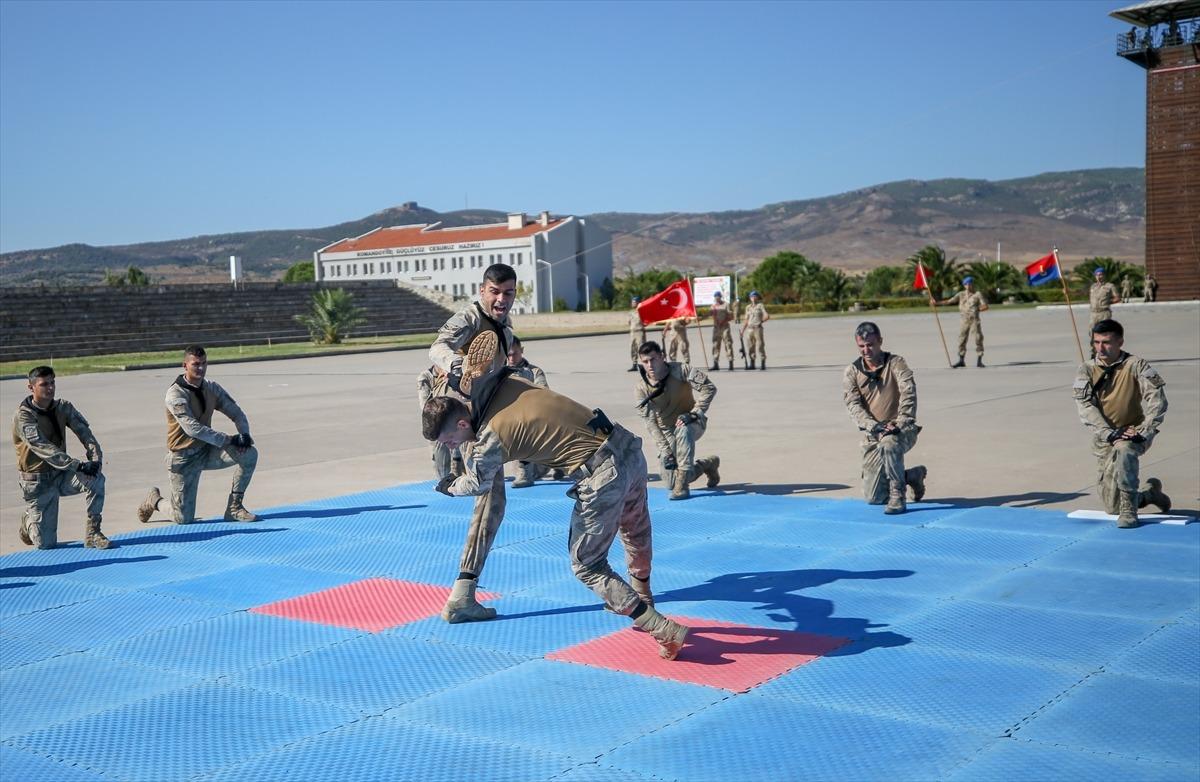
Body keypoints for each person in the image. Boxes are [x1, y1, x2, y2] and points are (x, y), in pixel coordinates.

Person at [422, 378, 689, 660]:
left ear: (463, 425)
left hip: (602, 475)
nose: (453, 448)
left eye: (450, 441)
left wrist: (449, 486)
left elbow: (478, 484)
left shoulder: (489, 439)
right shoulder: (508, 384)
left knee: (587, 565)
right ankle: (643, 596)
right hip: (628, 450)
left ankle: (662, 629)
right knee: (634, 528)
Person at [136, 345, 259, 525]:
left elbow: (237, 413)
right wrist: (228, 440)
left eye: (204, 363)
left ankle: (234, 508)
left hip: (206, 451)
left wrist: (244, 435)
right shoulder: (175, 394)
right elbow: (192, 429)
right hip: (183, 458)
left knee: (249, 454)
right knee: (183, 519)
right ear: (185, 365)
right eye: (195, 364)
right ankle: (155, 500)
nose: (200, 368)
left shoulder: (212, 388)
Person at [1072, 319, 1171, 528]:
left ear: (1120, 342)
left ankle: (1129, 511)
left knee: (1125, 450)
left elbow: (1157, 400)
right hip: (1105, 437)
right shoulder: (1086, 370)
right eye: (1096, 342)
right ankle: (1150, 494)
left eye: (1106, 342)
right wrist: (1108, 433)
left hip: (1132, 432)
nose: (1100, 348)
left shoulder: (1136, 365)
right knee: (1111, 507)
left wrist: (1144, 431)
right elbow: (1085, 406)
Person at [12, 366, 110, 549]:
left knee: (96, 480)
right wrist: (78, 465)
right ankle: (28, 521)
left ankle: (93, 533)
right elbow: (43, 448)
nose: (50, 388)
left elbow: (86, 434)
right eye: (44, 384)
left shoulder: (63, 407)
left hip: (61, 474)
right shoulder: (24, 416)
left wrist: (95, 460)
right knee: (45, 545)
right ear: (31, 387)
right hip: (38, 482)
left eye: (52, 383)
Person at [842, 322, 927, 514]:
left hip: (901, 429)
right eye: (862, 346)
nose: (866, 350)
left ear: (880, 341)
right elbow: (853, 405)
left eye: (870, 345)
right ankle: (911, 476)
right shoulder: (852, 371)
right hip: (874, 433)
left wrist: (901, 421)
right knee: (874, 497)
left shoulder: (896, 363)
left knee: (889, 444)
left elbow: (909, 392)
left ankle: (898, 495)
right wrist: (874, 427)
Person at [634, 341, 720, 501]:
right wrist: (666, 452)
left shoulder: (681, 370)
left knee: (683, 429)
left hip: (693, 422)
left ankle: (683, 486)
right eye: (645, 361)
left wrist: (695, 413)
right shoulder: (641, 388)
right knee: (669, 483)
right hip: (667, 431)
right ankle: (708, 464)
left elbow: (709, 388)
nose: (650, 365)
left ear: (662, 357)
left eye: (653, 359)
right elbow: (651, 423)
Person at [429, 263, 517, 402]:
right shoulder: (470, 318)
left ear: (514, 294)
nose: (501, 299)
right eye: (494, 292)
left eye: (508, 293)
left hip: (486, 394)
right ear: (482, 291)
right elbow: (437, 347)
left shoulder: (506, 330)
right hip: (455, 394)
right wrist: (458, 365)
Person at [506, 336, 561, 488]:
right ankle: (550, 464)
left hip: (531, 417)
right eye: (508, 354)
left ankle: (547, 466)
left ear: (521, 351)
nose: (511, 358)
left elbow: (543, 393)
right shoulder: (499, 373)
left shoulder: (534, 372)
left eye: (514, 353)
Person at [417, 364, 461, 480]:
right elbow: (425, 406)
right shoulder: (426, 377)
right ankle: (444, 480)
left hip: (454, 420)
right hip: (436, 422)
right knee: (440, 453)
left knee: (459, 452)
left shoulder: (455, 372)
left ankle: (460, 474)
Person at [940, 276, 989, 368]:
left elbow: (985, 306)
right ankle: (961, 360)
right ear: (964, 285)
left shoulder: (977, 294)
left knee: (978, 338)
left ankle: (979, 360)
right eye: (966, 284)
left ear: (972, 284)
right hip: (964, 320)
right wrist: (936, 303)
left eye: (970, 283)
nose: (968, 286)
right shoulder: (961, 294)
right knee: (962, 339)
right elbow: (950, 301)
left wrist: (977, 309)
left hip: (974, 320)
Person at [741, 291, 769, 370]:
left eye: (755, 296)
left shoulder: (760, 306)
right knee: (750, 346)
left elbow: (767, 316)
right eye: (751, 296)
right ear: (750, 298)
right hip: (750, 329)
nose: (753, 298)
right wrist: (742, 331)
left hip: (757, 328)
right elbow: (746, 320)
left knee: (760, 346)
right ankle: (752, 364)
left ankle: (763, 363)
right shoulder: (748, 307)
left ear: (757, 297)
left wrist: (761, 321)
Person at [708, 290, 735, 371]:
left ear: (720, 297)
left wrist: (724, 321)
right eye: (715, 296)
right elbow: (709, 314)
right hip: (716, 328)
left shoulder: (726, 305)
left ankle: (730, 363)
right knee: (715, 345)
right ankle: (716, 364)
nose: (717, 298)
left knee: (728, 344)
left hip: (724, 327)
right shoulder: (713, 306)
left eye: (718, 296)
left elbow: (731, 316)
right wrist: (700, 318)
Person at [627, 296, 645, 372]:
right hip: (632, 332)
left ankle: (643, 364)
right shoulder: (630, 313)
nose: (632, 303)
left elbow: (645, 322)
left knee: (641, 348)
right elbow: (629, 322)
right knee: (632, 348)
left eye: (634, 302)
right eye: (632, 302)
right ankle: (634, 364)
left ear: (638, 303)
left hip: (640, 331)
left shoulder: (642, 311)